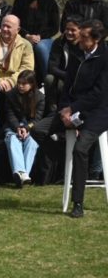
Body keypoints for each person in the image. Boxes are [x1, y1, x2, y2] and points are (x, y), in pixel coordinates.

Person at [48, 20, 108, 218]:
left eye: (84, 37)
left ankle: (78, 203)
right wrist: (66, 110)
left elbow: (99, 94)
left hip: (98, 112)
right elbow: (67, 86)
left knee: (81, 149)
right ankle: (53, 170)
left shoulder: (105, 58)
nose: (79, 40)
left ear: (96, 39)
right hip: (71, 109)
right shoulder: (76, 54)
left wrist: (73, 109)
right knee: (39, 130)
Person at [11, 0, 59, 85]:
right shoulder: (19, 2)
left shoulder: (50, 3)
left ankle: (48, 81)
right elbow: (15, 23)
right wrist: (26, 36)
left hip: (43, 39)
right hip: (23, 36)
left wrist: (39, 36)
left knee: (40, 47)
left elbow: (55, 27)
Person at [3, 70, 43, 187]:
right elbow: (10, 115)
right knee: (13, 140)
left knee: (32, 142)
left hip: (31, 129)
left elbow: (37, 119)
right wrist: (17, 128)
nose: (20, 86)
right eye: (19, 83)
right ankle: (23, 174)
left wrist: (26, 128)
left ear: (32, 84)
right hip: (12, 127)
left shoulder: (40, 98)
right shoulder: (10, 95)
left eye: (24, 84)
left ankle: (20, 174)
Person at [45, 15, 84, 114]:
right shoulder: (59, 42)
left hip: (80, 80)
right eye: (67, 29)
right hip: (64, 77)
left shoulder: (85, 44)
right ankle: (52, 110)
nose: (69, 33)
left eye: (73, 30)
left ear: (80, 30)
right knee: (50, 79)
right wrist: (67, 76)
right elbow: (52, 66)